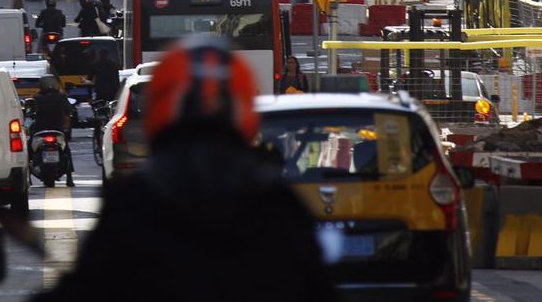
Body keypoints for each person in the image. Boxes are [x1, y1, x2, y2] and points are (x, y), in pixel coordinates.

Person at [33, 36, 335, 301]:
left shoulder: (135, 200)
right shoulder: (276, 200)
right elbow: (317, 286)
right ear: (244, 106)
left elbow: (88, 287)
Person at [30, 75, 75, 186]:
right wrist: (66, 127)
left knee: (29, 149)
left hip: (39, 129)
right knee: (66, 151)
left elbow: (29, 114)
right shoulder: (62, 97)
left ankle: (27, 175)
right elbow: (68, 114)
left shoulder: (36, 98)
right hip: (57, 129)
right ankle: (69, 178)